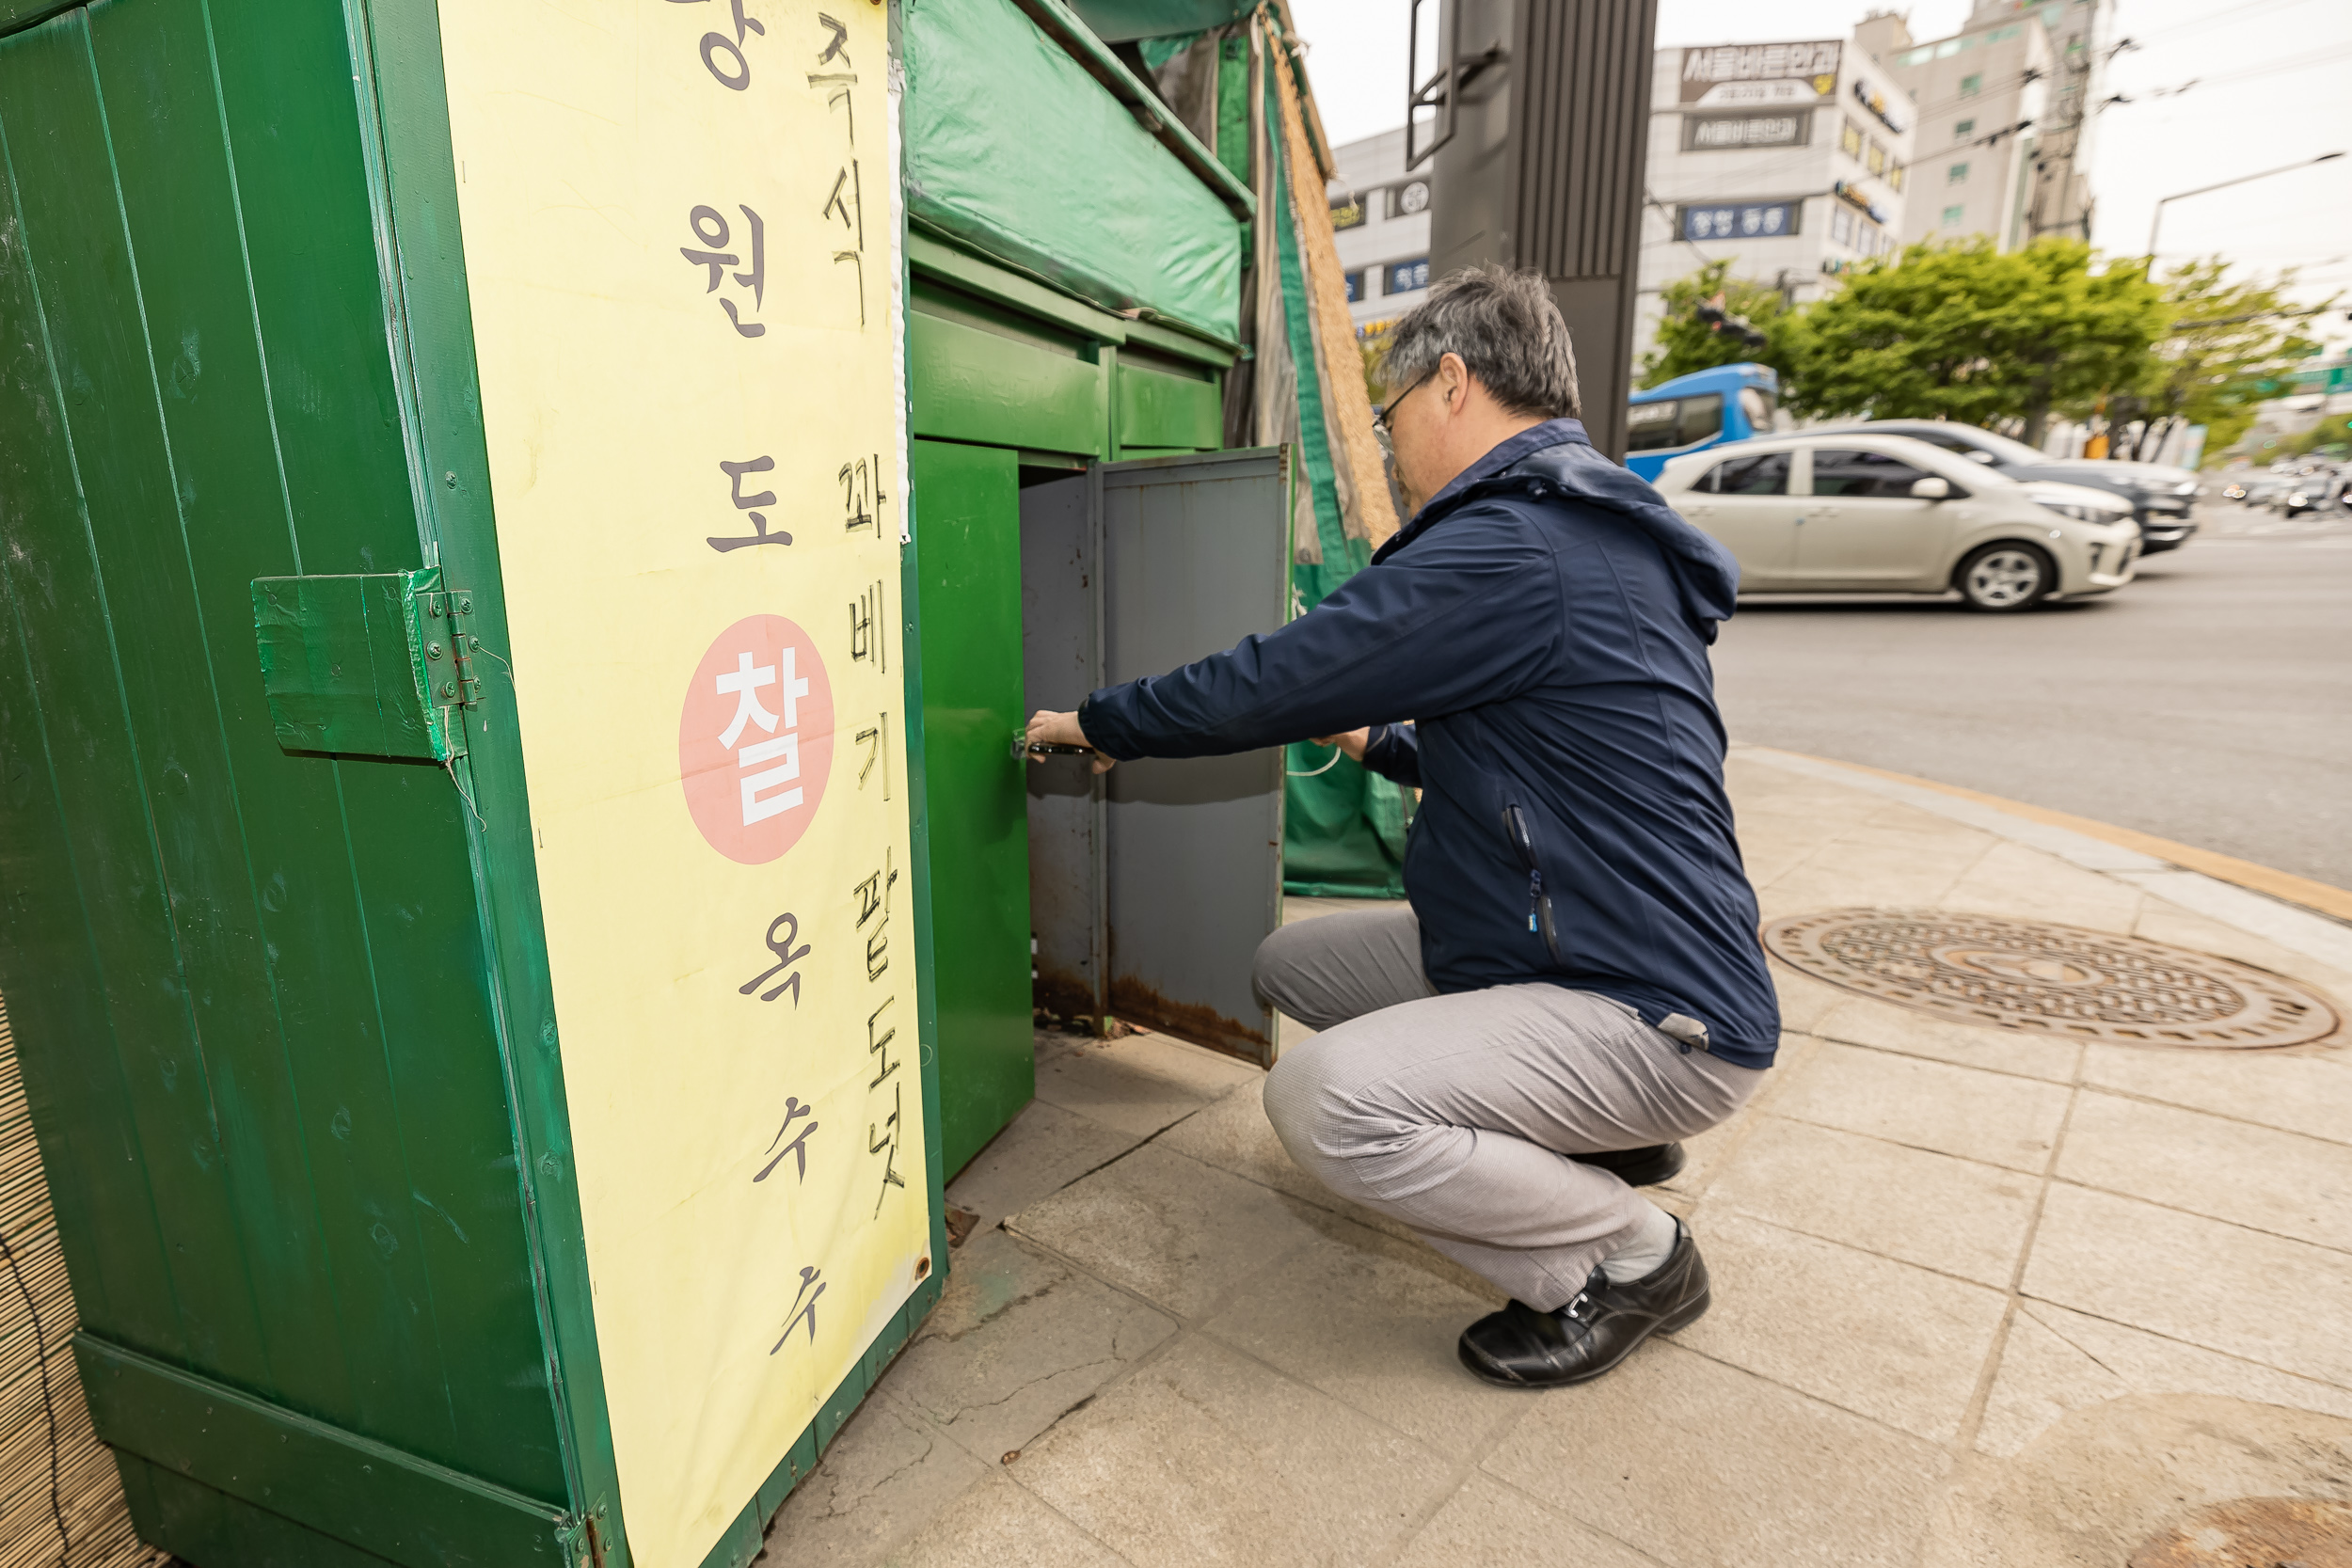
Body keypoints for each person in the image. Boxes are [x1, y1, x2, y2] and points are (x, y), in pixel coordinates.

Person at [1023, 266, 1778, 1389]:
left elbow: (1275, 677)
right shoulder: (1589, 531)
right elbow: (1553, 762)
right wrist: (1380, 743)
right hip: (1587, 939)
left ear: (1453, 383)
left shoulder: (1512, 545)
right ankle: (1604, 1140)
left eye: (1389, 418)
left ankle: (1625, 1257)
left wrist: (1094, 722)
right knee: (1292, 960)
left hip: (1654, 1009)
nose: (1386, 446)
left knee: (1329, 1100)